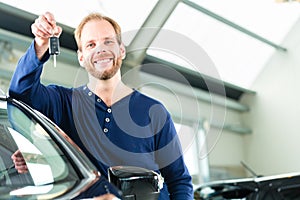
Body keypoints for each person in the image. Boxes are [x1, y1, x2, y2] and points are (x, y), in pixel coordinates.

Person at [9, 11, 193, 199]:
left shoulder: (154, 112)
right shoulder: (62, 102)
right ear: (81, 57)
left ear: (121, 49)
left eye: (108, 41)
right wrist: (41, 44)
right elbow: (20, 92)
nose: (100, 50)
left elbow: (179, 181)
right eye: (91, 45)